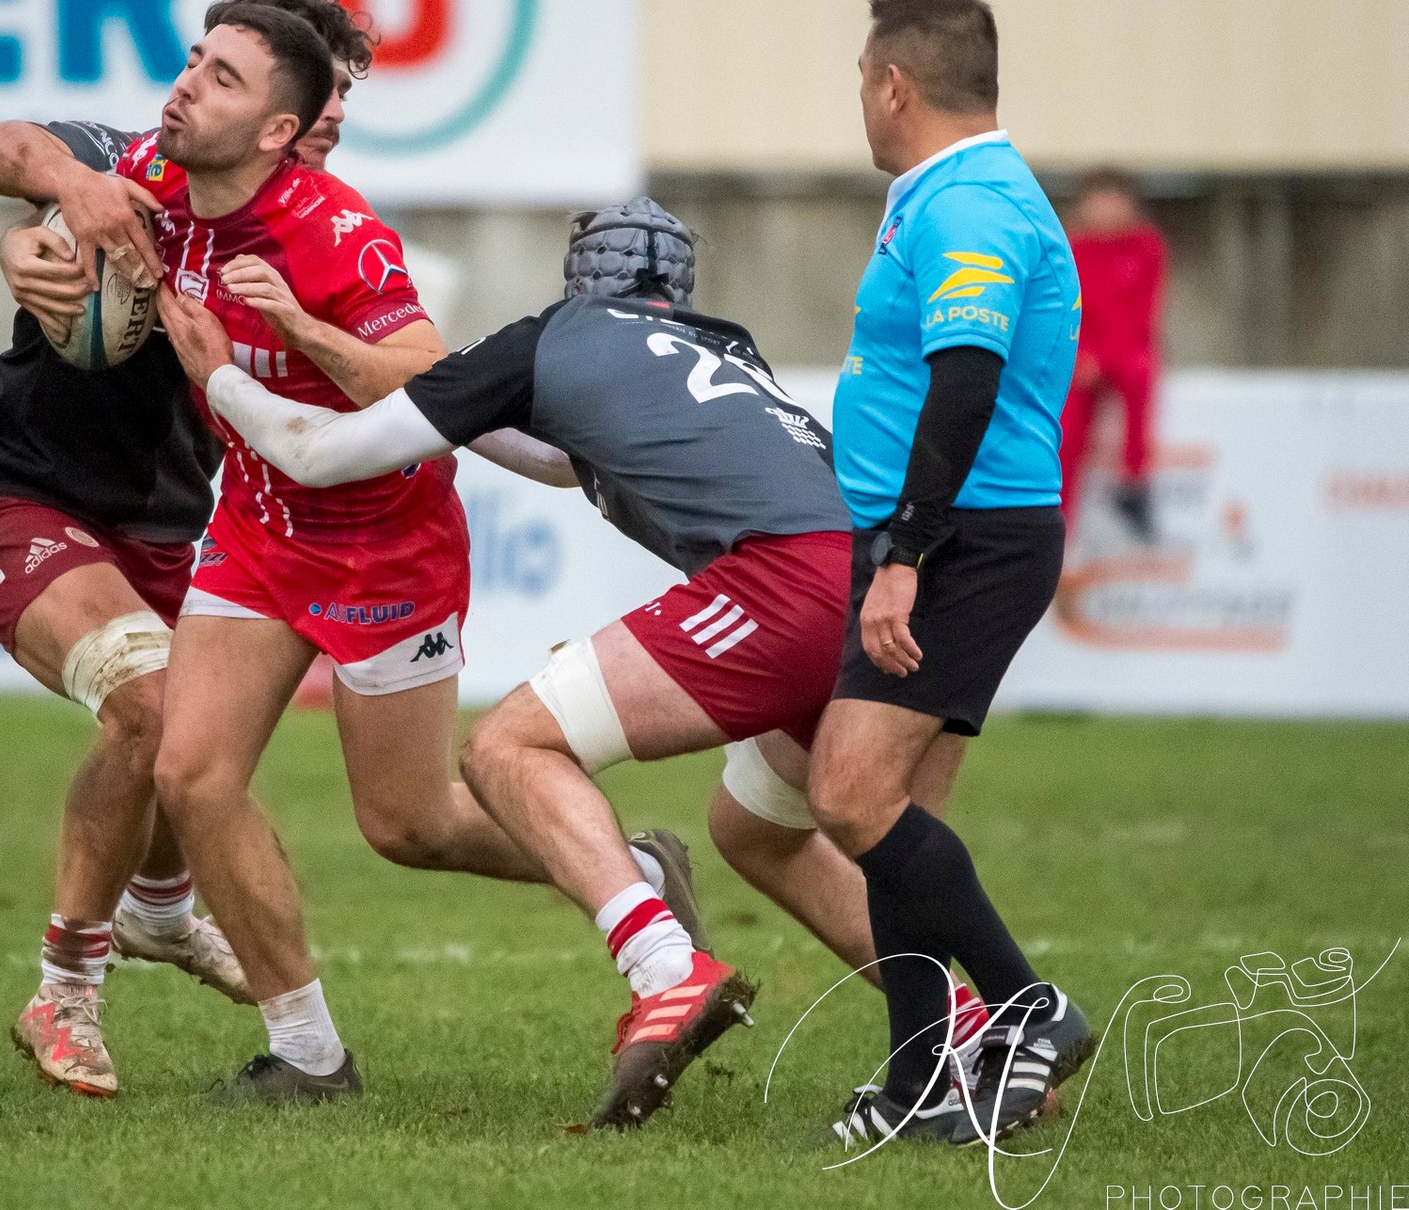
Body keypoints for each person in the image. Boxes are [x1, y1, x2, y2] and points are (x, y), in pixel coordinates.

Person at [161, 197, 988, 1127]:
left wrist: (220, 374)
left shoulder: (552, 336)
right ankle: (969, 1030)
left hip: (784, 586)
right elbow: (554, 457)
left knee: (508, 747)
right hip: (881, 594)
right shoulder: (729, 347)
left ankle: (664, 968)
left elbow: (318, 455)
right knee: (758, 831)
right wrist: (321, 338)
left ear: (577, 279)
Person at [0, 0, 375, 1099]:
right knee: (149, 703)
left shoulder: (319, 237)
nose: (332, 118)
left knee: (199, 754)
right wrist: (59, 197)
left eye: (340, 102)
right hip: (13, 493)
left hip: (175, 528)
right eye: (322, 94)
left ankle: (164, 911)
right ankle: (64, 992)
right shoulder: (141, 171)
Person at [818, 0, 1091, 1147]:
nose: (859, 100)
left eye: (860, 79)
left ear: (894, 85)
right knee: (897, 820)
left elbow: (966, 380)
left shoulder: (969, 201)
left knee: (846, 795)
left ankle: (1028, 1009)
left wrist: (905, 552)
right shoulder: (946, 192)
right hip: (950, 534)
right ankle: (918, 1081)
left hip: (960, 540)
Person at [1060, 168, 1165, 540]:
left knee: (1140, 373)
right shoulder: (1072, 248)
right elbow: (1065, 311)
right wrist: (1083, 355)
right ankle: (1060, 521)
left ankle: (1134, 482)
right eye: (1099, 202)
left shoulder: (1146, 247)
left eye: (1114, 201)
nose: (1106, 211)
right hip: (1084, 354)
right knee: (1068, 429)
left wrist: (1103, 359)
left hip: (1125, 352)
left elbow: (1142, 313)